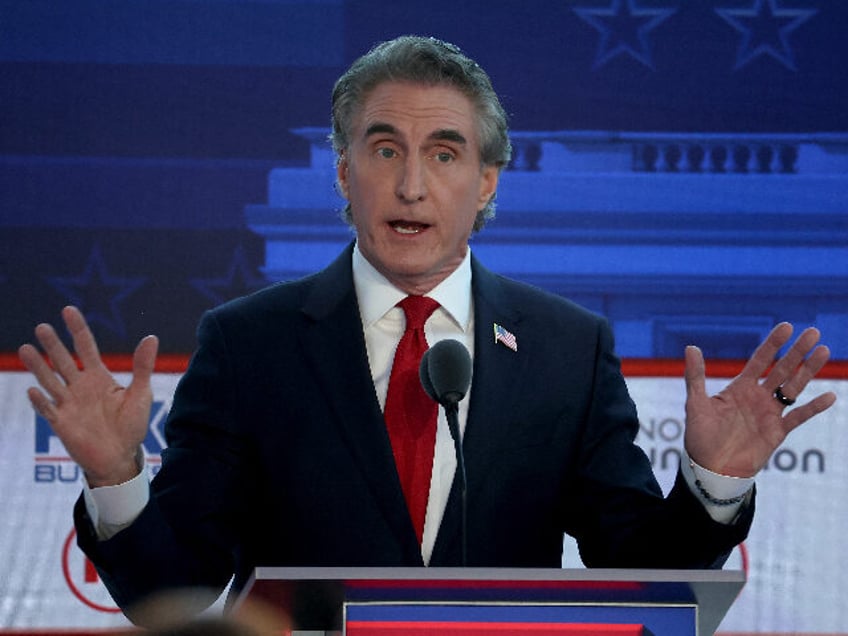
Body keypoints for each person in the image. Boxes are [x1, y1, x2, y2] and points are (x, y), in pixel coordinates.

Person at [18, 36, 836, 625]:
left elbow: (641, 576)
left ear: (486, 182)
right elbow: (177, 592)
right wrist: (117, 477)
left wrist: (712, 484)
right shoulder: (250, 344)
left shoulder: (565, 349)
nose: (411, 184)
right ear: (344, 172)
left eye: (444, 154)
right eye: (384, 149)